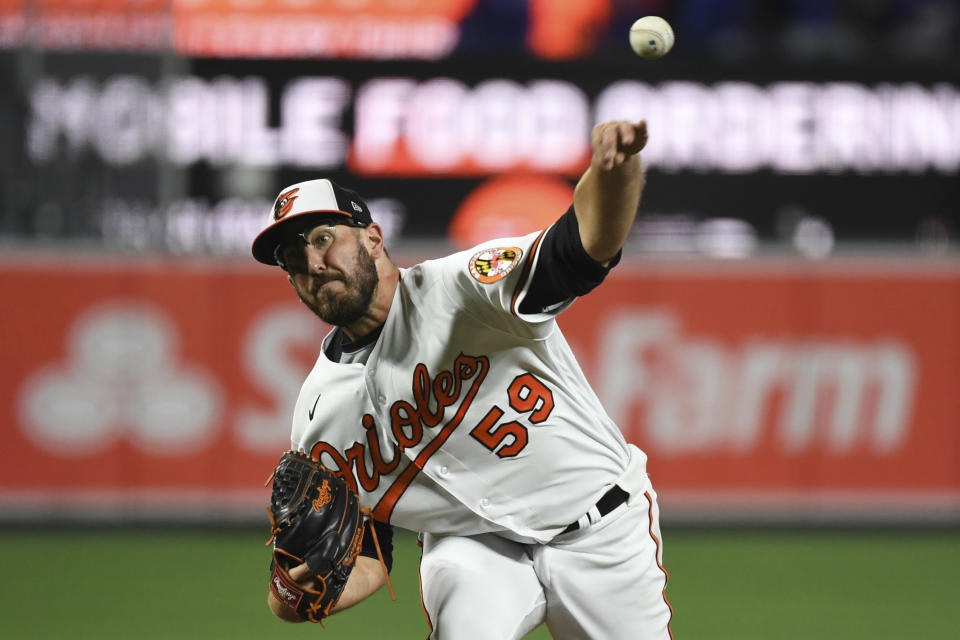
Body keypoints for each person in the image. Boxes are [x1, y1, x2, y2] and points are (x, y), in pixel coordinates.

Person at [252, 120, 673, 639]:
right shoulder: (320, 413)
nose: (313, 264)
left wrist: (614, 172)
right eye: (293, 258)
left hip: (599, 525)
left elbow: (581, 248)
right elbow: (368, 553)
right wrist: (301, 594)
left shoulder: (464, 288)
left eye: (323, 239)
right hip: (474, 547)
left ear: (374, 239)